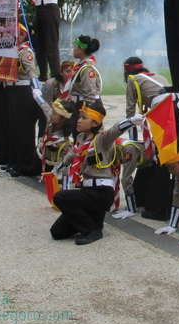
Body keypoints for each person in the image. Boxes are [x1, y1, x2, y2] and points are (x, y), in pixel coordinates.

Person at [49, 100, 143, 245]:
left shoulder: (101, 139)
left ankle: (92, 230)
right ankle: (93, 222)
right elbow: (74, 153)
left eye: (83, 118)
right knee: (57, 232)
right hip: (87, 190)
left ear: (94, 123)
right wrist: (60, 165)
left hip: (101, 192)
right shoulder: (81, 138)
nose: (78, 120)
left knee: (60, 197)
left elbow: (115, 130)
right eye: (79, 117)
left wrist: (130, 121)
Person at [120, 56, 172, 219]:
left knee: (159, 160)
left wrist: (134, 142)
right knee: (160, 157)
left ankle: (158, 207)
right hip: (173, 111)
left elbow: (131, 115)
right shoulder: (158, 76)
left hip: (161, 113)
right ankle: (144, 197)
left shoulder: (133, 80)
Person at [3, 23, 49, 178]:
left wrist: (36, 88)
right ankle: (16, 161)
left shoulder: (25, 52)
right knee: (14, 129)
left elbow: (31, 72)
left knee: (24, 130)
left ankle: (27, 164)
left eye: (14, 33)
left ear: (22, 35)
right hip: (12, 90)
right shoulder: (12, 51)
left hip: (23, 92)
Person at [13, 0, 61, 80]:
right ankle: (43, 76)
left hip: (50, 10)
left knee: (51, 44)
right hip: (39, 10)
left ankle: (56, 76)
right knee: (39, 45)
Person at [38, 99, 76, 175]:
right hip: (45, 164)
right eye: (52, 112)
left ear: (63, 119)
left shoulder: (67, 140)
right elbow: (43, 105)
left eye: (54, 114)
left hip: (58, 172)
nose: (51, 115)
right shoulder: (51, 125)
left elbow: (68, 160)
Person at [60, 35, 102, 104]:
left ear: (82, 49)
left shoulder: (87, 68)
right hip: (77, 104)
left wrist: (85, 109)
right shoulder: (81, 65)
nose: (73, 49)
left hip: (83, 106)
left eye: (75, 46)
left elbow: (90, 95)